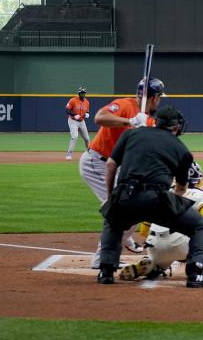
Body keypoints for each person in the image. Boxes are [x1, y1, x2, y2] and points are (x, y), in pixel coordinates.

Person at [96, 106, 203, 289]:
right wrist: (170, 211)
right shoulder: (181, 148)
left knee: (113, 220)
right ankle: (197, 273)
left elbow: (110, 165)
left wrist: (111, 198)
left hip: (125, 194)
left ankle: (105, 272)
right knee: (201, 226)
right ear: (176, 127)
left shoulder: (131, 134)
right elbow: (180, 189)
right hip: (156, 198)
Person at [79, 76, 166, 266]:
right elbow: (99, 118)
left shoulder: (149, 119)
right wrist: (130, 121)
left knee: (138, 202)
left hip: (117, 167)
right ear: (153, 97)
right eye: (159, 97)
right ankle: (103, 258)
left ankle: (123, 236)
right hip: (97, 163)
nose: (159, 101)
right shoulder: (125, 105)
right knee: (121, 208)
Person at [120, 159, 203, 282]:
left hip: (154, 246)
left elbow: (144, 230)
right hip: (184, 247)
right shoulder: (201, 195)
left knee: (165, 249)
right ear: (199, 178)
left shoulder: (163, 192)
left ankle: (155, 264)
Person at [65, 86, 90, 160]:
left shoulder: (87, 102)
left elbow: (87, 111)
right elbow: (67, 110)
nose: (83, 94)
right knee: (75, 137)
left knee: (87, 139)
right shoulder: (73, 100)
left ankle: (89, 153)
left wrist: (87, 114)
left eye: (84, 93)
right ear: (79, 93)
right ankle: (69, 154)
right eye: (81, 93)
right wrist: (74, 115)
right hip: (72, 121)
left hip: (82, 122)